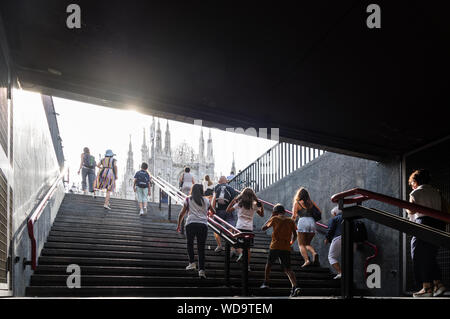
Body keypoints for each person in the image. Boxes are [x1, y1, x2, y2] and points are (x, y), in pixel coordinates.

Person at [406, 169, 447, 297]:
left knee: (417, 254)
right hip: (439, 224)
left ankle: (427, 288)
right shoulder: (437, 193)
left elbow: (411, 212)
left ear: (415, 181)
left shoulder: (415, 192)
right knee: (430, 255)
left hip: (423, 222)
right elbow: (445, 209)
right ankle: (437, 285)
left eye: (412, 182)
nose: (412, 185)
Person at [260, 204, 301, 297]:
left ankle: (266, 282)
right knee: (288, 268)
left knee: (269, 265)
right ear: (284, 212)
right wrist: (291, 242)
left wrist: (271, 217)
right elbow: (295, 235)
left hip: (275, 246)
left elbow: (263, 228)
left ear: (275, 212)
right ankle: (295, 286)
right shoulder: (290, 221)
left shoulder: (274, 219)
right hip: (286, 247)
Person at [176, 184, 215, 279]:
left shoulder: (188, 199)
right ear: (202, 191)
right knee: (201, 248)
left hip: (191, 223)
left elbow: (182, 214)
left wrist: (178, 225)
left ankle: (192, 263)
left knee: (190, 244)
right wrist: (207, 213)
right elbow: (213, 211)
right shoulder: (206, 200)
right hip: (203, 225)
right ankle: (201, 271)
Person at [226, 187, 264, 271]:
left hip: (239, 227)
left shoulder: (240, 203)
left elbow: (228, 210)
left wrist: (232, 202)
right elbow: (261, 214)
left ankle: (241, 254)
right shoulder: (254, 204)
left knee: (236, 244)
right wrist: (262, 207)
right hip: (249, 228)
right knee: (248, 248)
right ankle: (247, 266)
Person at [291, 187, 321, 267]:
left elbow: (294, 216)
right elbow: (319, 211)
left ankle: (307, 260)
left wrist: (290, 223)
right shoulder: (311, 202)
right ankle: (314, 253)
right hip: (312, 222)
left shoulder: (297, 203)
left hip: (302, 222)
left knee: (301, 244)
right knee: (307, 243)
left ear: (299, 195)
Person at [211, 176, 239, 253]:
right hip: (229, 211)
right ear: (226, 181)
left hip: (218, 211)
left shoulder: (216, 187)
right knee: (230, 229)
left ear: (219, 181)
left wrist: (212, 210)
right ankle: (232, 248)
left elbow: (213, 199)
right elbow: (234, 201)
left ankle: (219, 245)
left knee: (216, 227)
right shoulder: (231, 188)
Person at [324, 206, 343, 279]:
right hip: (353, 241)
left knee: (331, 257)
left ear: (335, 213)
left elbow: (330, 229)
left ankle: (340, 272)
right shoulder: (349, 217)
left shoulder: (335, 218)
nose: (333, 216)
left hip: (338, 238)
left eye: (333, 214)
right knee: (347, 257)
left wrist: (327, 238)